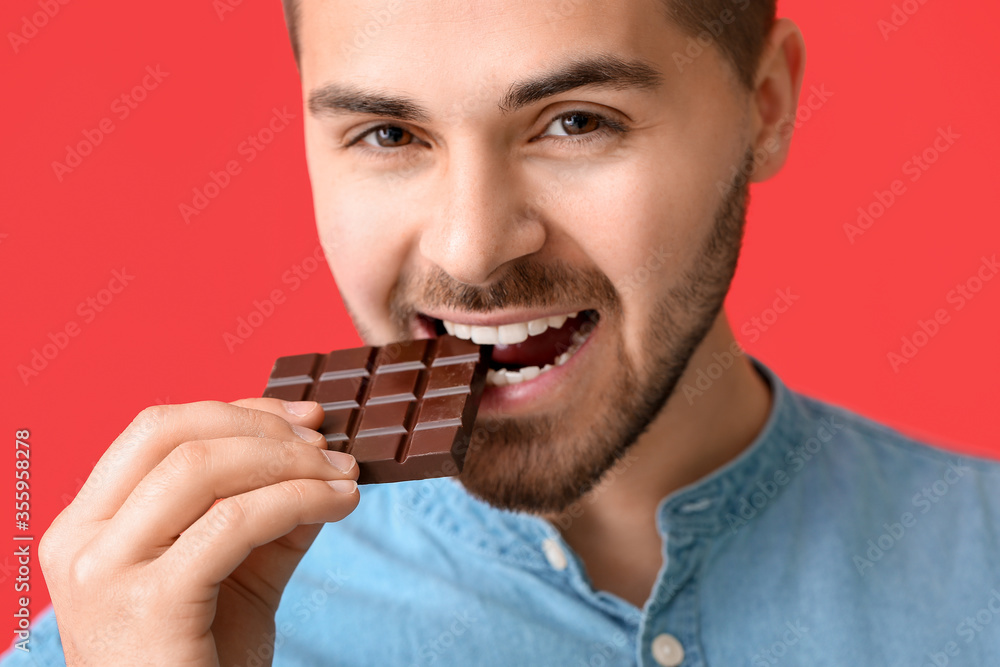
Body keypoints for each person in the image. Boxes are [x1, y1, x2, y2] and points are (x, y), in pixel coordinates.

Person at [6, 1, 1000, 665]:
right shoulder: (135, 637)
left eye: (576, 121)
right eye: (388, 135)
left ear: (765, 106)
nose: (473, 247)